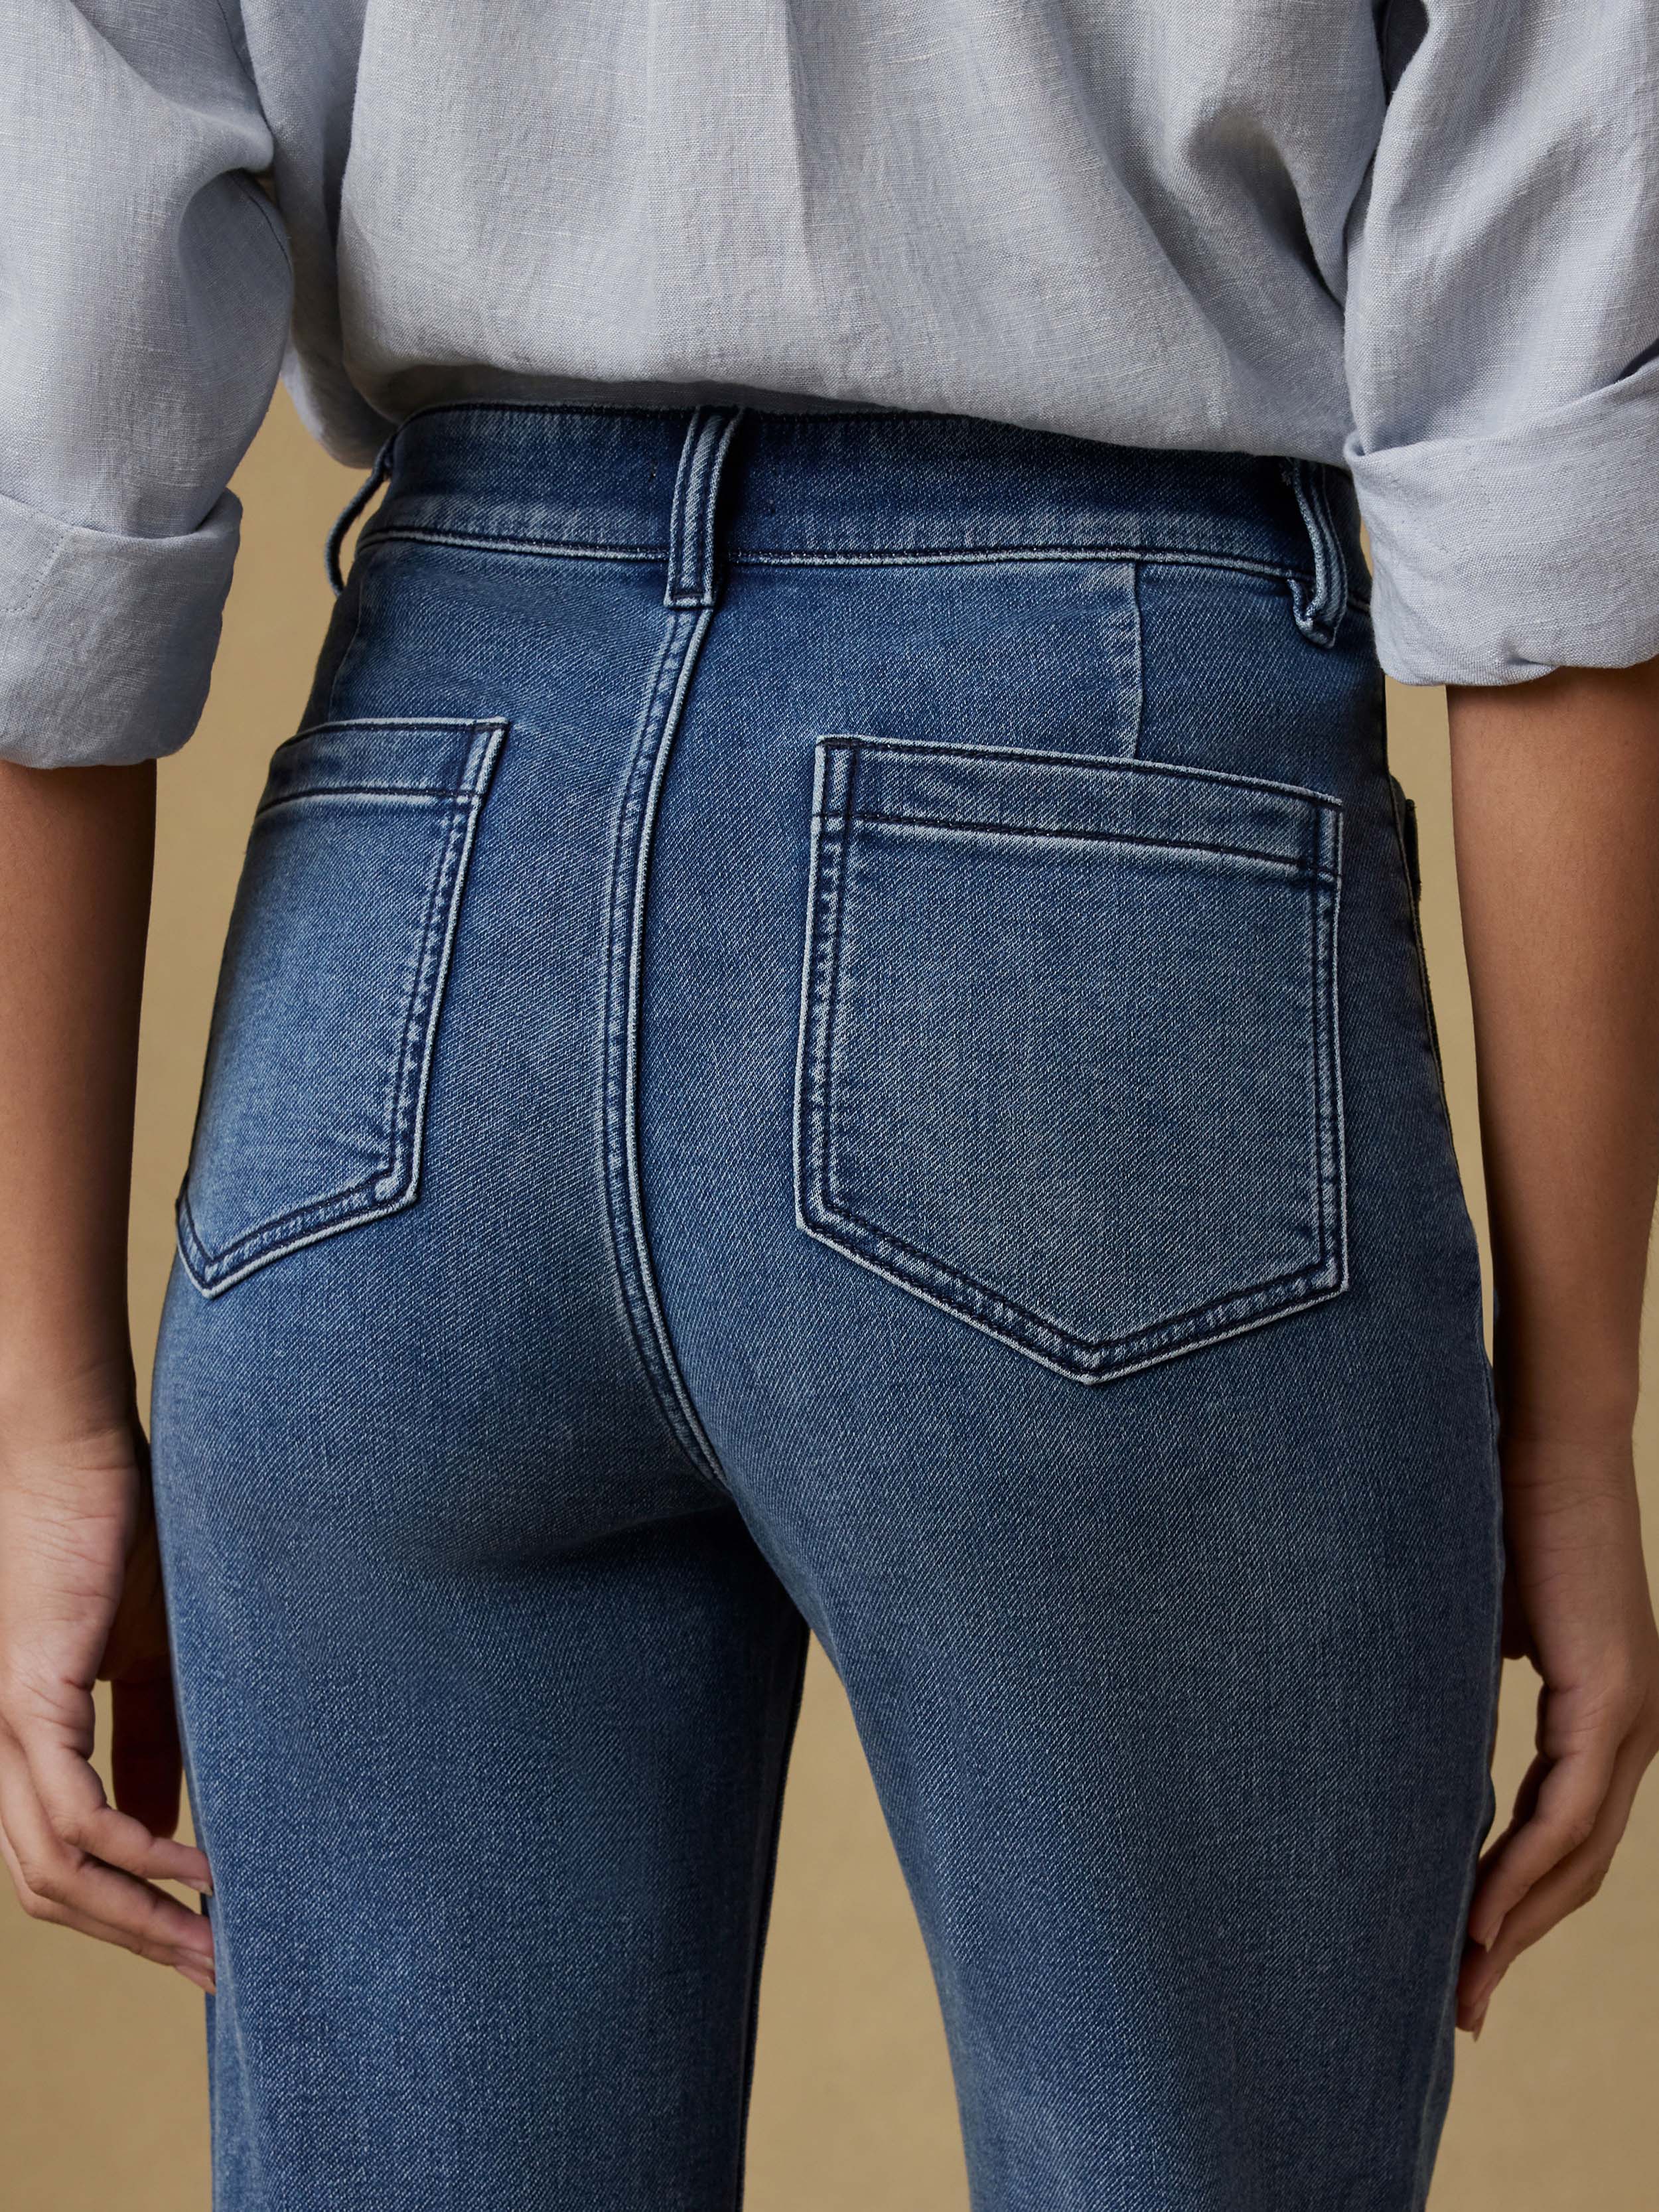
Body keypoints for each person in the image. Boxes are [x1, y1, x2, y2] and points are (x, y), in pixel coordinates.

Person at [1, 4, 1656, 2207]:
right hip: (1103, 837)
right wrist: (1565, 1425)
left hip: (429, 865)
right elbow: (1560, 479)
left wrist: (46, 1423)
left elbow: (44, 504)